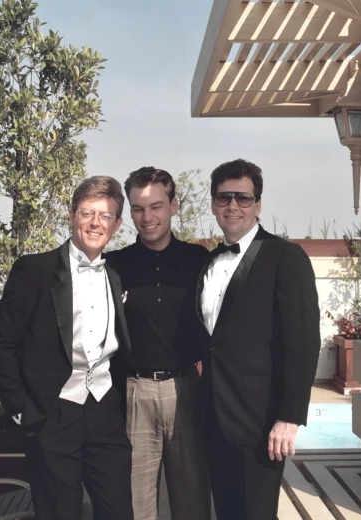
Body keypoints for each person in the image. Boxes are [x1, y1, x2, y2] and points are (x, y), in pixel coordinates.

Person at [0, 176, 134, 520]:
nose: (96, 223)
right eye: (87, 213)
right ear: (71, 215)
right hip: (53, 413)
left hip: (105, 411)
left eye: (105, 216)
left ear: (117, 224)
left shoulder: (117, 275)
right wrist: (21, 407)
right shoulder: (34, 270)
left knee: (119, 512)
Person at [196, 159, 321, 519]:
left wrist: (289, 417)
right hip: (213, 415)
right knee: (228, 511)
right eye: (224, 197)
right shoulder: (208, 262)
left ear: (258, 205)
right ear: (213, 204)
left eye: (243, 198)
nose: (233, 206)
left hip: (260, 421)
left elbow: (302, 343)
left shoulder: (286, 257)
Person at [105, 167, 211, 520]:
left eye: (156, 206)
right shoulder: (114, 266)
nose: (147, 217)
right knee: (136, 505)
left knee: (192, 500)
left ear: (174, 206)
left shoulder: (198, 260)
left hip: (187, 389)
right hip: (134, 392)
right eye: (138, 209)